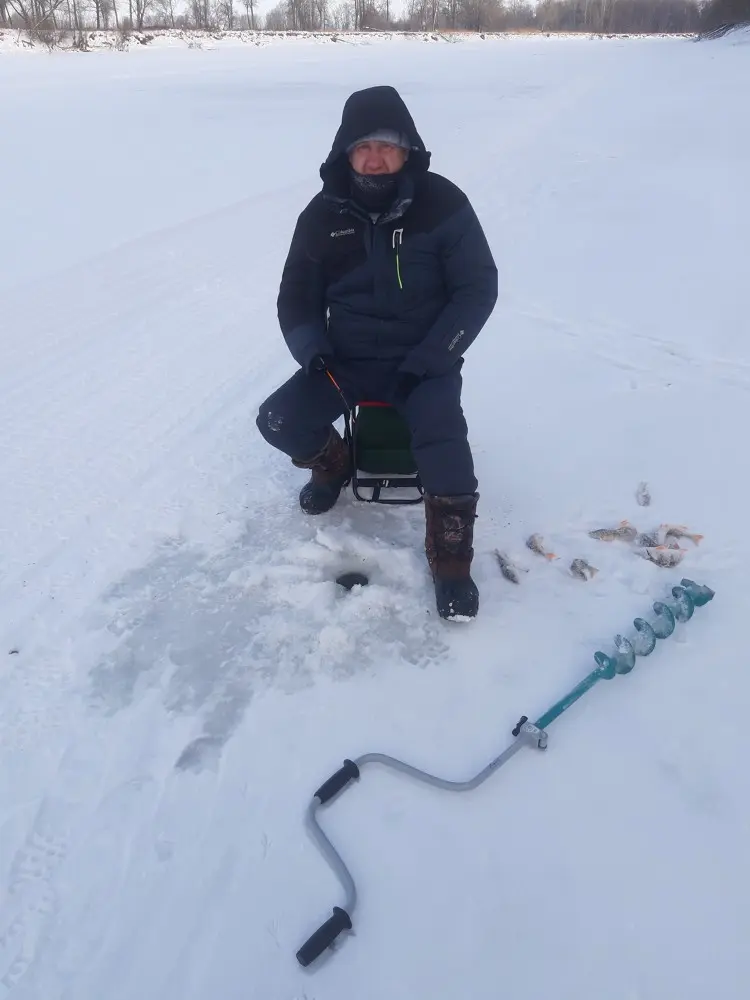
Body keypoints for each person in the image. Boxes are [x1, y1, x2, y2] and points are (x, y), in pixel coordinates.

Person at [256, 85, 498, 620]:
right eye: (363, 145)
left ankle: (452, 563)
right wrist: (311, 351)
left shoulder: (443, 204)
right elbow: (296, 294)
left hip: (423, 364)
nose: (375, 157)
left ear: (408, 149)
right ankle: (333, 466)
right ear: (345, 150)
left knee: (447, 453)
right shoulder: (321, 214)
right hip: (346, 362)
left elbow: (477, 288)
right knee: (277, 420)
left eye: (388, 145)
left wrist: (436, 357)